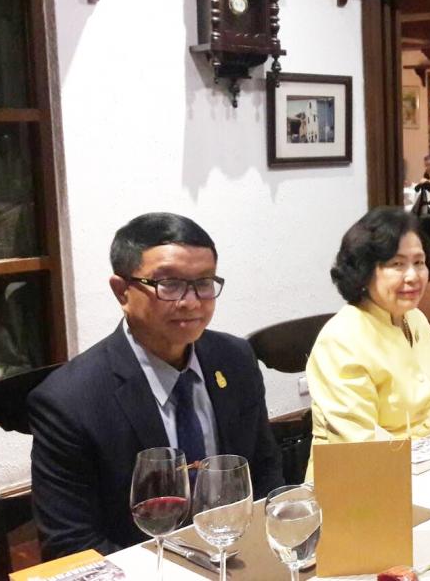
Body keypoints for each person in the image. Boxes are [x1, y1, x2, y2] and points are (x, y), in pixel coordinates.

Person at [28, 213, 284, 559]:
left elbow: (265, 474)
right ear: (122, 291)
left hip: (238, 557)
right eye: (169, 284)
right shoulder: (68, 400)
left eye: (204, 283)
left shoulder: (235, 359)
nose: (191, 302)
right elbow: (70, 546)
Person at [305, 207, 430, 479]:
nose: (413, 276)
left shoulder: (416, 319)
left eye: (419, 262)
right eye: (397, 264)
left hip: (426, 467)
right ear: (365, 270)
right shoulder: (341, 340)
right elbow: (362, 445)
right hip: (361, 480)